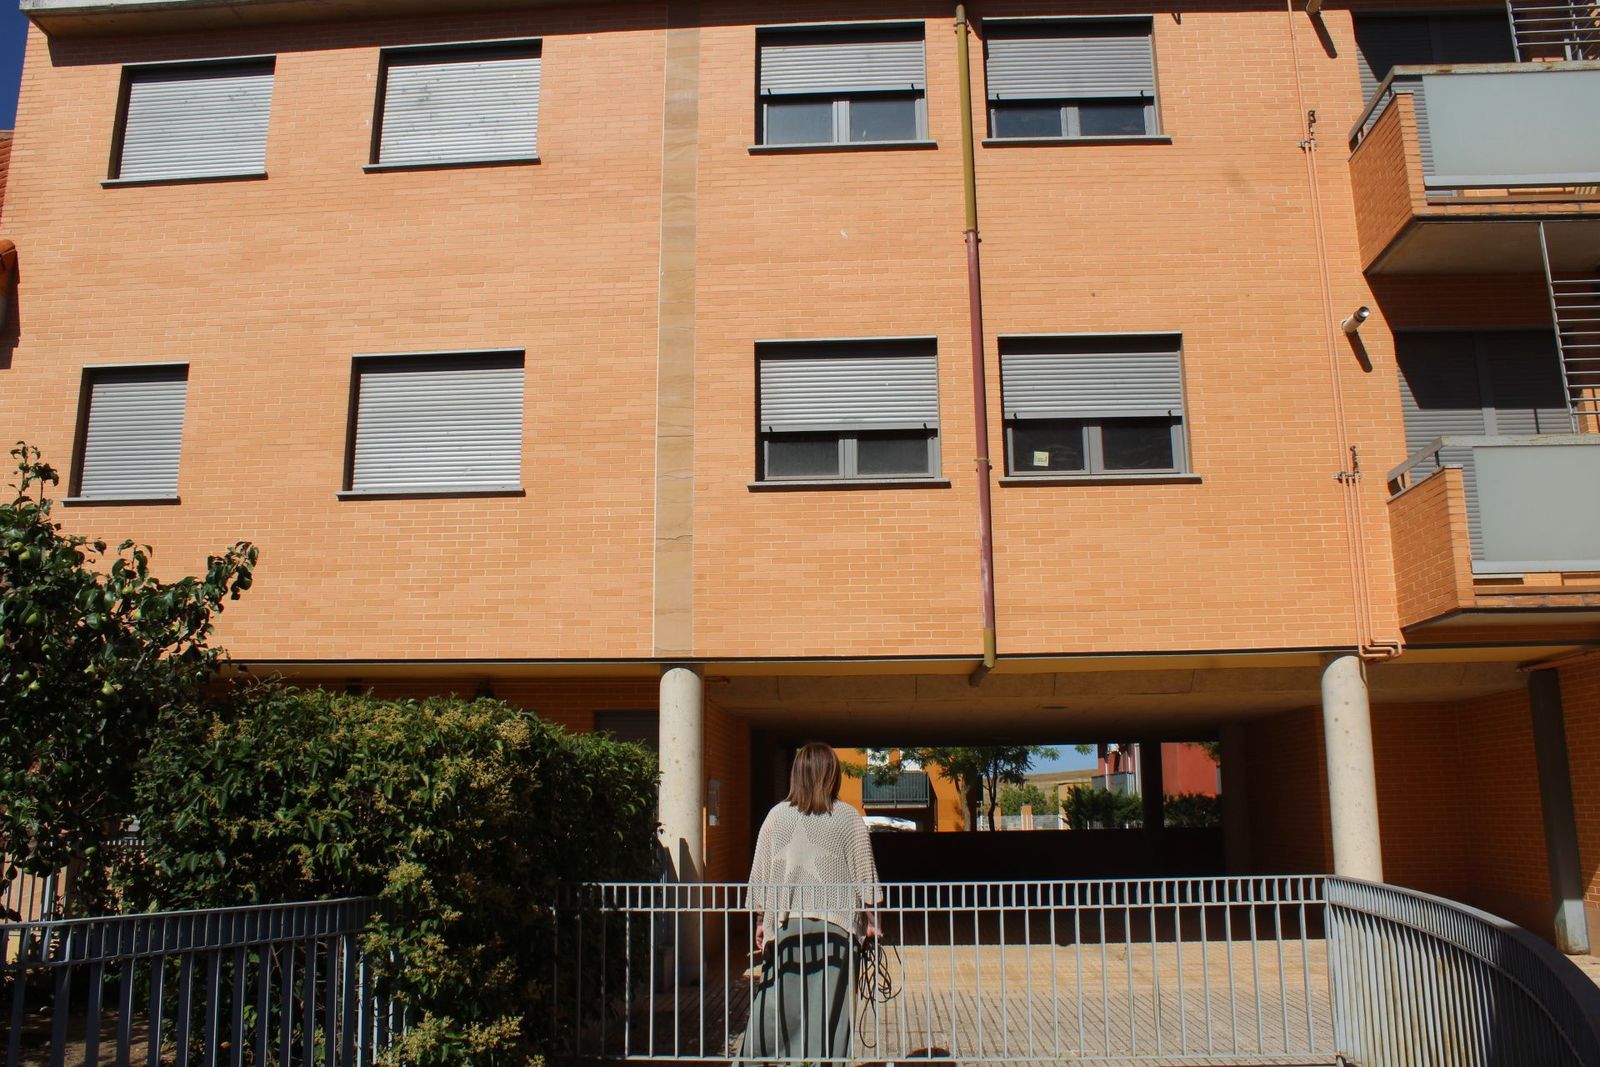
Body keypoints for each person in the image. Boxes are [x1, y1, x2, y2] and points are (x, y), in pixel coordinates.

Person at [745, 742, 881, 1062]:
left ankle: (760, 1060)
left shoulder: (775, 816)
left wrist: (761, 923)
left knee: (776, 1010)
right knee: (831, 1015)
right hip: (838, 931)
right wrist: (874, 925)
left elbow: (759, 875)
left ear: (797, 774)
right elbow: (866, 876)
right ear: (832, 775)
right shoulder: (847, 817)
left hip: (786, 929)